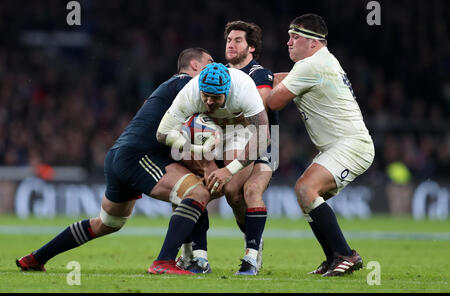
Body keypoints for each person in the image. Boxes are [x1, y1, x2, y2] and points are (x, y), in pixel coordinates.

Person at [16, 47, 214, 275]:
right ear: (195, 66)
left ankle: (36, 258)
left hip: (120, 155)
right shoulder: (185, 83)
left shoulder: (173, 89)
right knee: (197, 193)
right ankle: (165, 261)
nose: (215, 67)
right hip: (138, 156)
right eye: (210, 62)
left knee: (106, 223)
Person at [266, 14, 375, 277]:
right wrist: (254, 76)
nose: (288, 42)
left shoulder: (311, 66)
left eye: (295, 37)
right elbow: (278, 79)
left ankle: (346, 254)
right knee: (305, 195)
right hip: (342, 145)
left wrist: (246, 87)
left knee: (306, 188)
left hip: (350, 145)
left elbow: (272, 101)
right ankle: (335, 257)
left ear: (314, 43)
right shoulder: (322, 61)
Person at [156, 62, 270, 274]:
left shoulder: (244, 88)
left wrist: (228, 170)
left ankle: (252, 251)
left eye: (216, 97)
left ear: (228, 91)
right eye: (205, 96)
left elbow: (264, 136)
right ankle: (198, 257)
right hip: (204, 136)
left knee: (233, 192)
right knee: (196, 189)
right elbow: (162, 133)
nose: (209, 101)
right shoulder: (190, 92)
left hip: (239, 133)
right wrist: (194, 148)